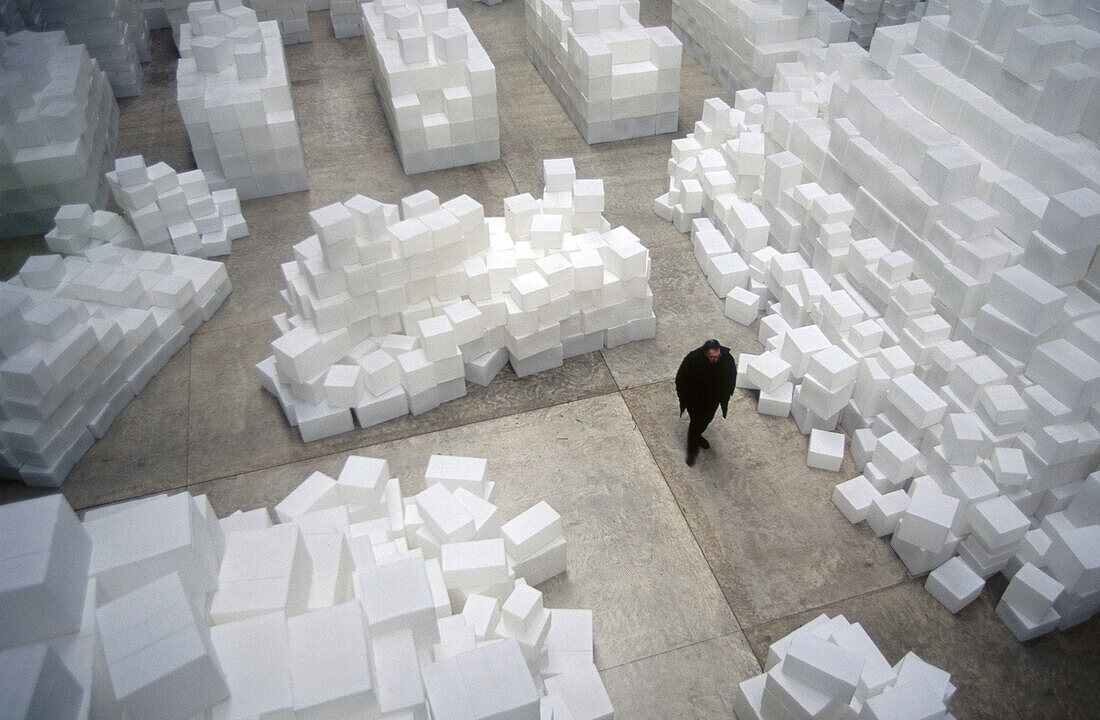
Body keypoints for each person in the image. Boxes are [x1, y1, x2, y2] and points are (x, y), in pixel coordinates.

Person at [676, 339, 737, 466]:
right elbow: (681, 379)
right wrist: (684, 397)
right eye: (712, 357)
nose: (715, 359)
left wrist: (728, 392)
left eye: (717, 356)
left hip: (713, 399)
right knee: (696, 424)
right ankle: (692, 451)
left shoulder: (726, 358)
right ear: (705, 354)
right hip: (695, 400)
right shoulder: (693, 359)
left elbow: (732, 375)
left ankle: (697, 435)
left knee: (706, 420)